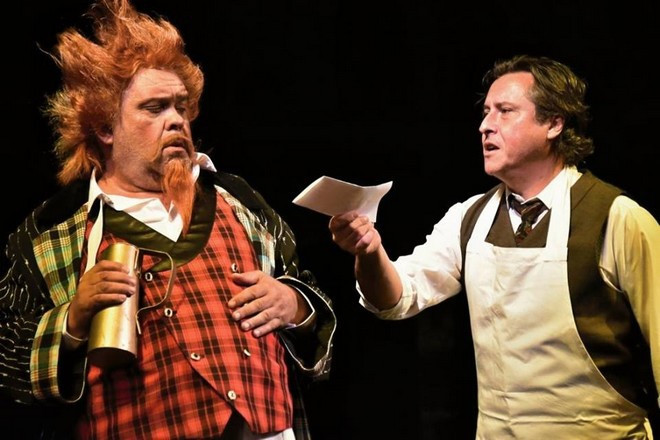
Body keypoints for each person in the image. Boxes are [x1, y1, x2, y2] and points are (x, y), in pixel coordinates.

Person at [0, 1, 335, 438]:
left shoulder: (239, 202)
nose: (177, 120)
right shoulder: (53, 233)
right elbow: (9, 363)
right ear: (105, 128)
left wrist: (294, 305)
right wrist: (73, 320)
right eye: (154, 108)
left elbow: (309, 301)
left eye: (181, 106)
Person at [329, 55, 658, 438]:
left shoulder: (616, 217)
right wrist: (369, 252)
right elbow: (397, 298)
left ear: (554, 124)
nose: (485, 125)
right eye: (486, 112)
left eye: (505, 111)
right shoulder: (470, 218)